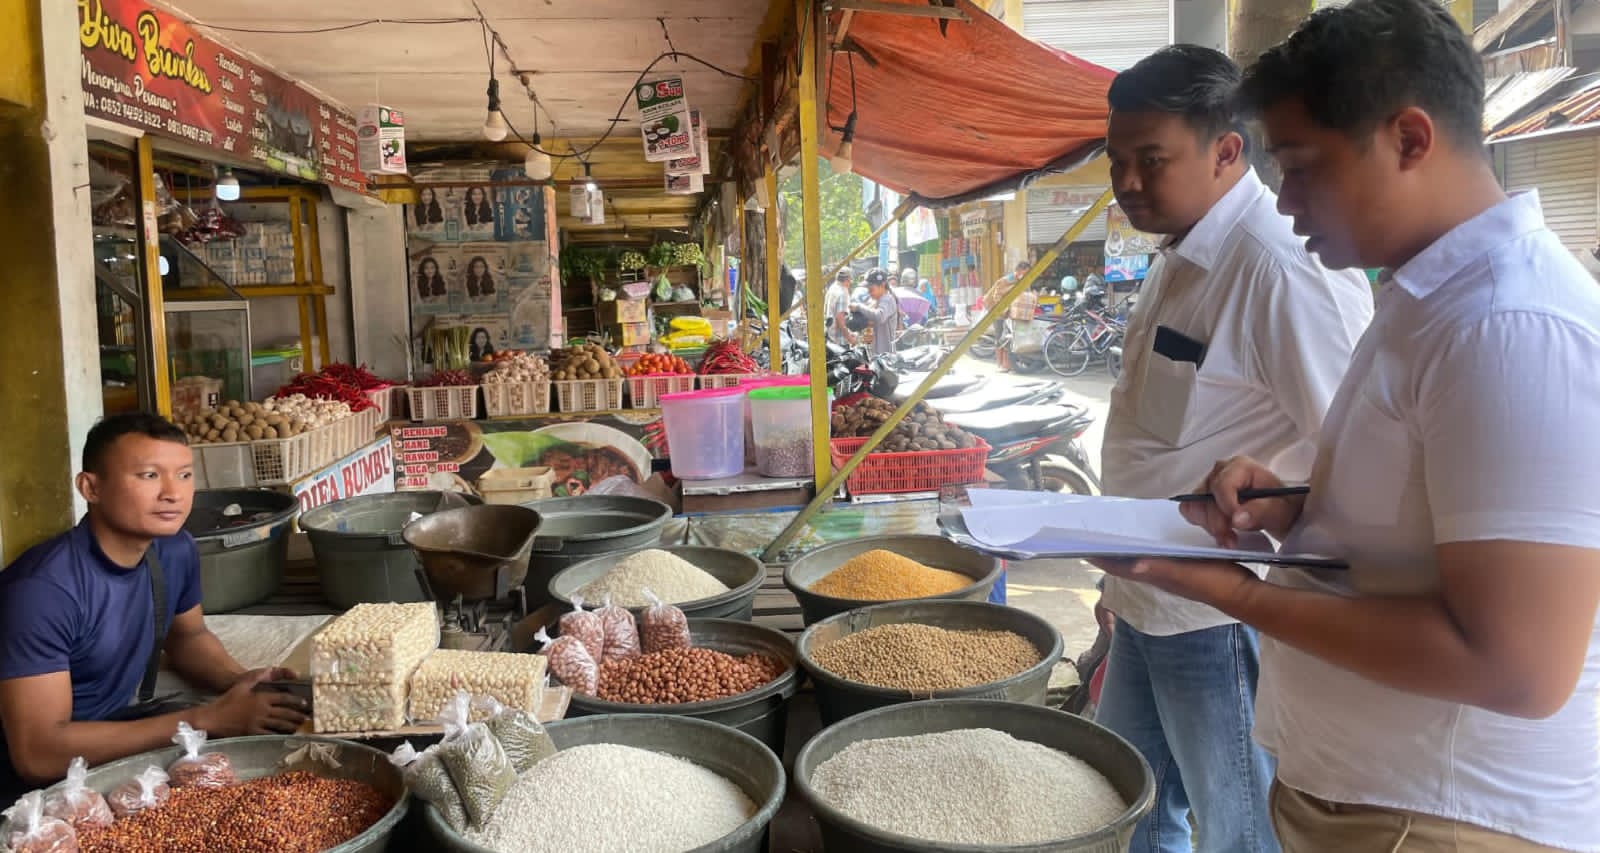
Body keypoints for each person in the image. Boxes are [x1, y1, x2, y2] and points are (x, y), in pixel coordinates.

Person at [1099, 3, 1600, 851]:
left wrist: (1232, 591)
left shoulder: (1512, 327)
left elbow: (1517, 665)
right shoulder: (1431, 299)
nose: (1283, 198)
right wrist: (1297, 500)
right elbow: (1421, 511)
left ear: (1409, 139)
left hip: (1438, 816)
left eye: (1300, 165)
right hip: (1368, 795)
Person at [1094, 45, 1374, 853]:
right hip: (1148, 600)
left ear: (1228, 152)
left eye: (1151, 160)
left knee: (1240, 829)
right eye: (1117, 162)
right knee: (1130, 806)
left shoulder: (1279, 269)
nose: (1128, 183)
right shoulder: (1180, 252)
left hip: (1218, 610)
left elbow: (1353, 456)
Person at [0, 414, 308, 802]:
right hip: (34, 779)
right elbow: (36, 753)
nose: (173, 493)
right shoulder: (43, 591)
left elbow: (188, 637)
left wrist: (240, 685)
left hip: (117, 727)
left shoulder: (174, 549)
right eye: (149, 476)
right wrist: (205, 720)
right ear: (91, 487)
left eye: (183, 475)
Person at [983, 260, 1031, 371]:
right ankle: (1000, 364)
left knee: (1007, 337)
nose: (1027, 274)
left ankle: (1007, 364)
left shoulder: (1020, 280)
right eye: (1026, 272)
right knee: (1000, 337)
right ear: (1019, 270)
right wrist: (1005, 311)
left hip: (1010, 313)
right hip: (998, 311)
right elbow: (997, 297)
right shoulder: (1007, 280)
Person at [849, 268, 901, 355]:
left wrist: (859, 307)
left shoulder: (887, 299)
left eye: (871, 289)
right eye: (868, 289)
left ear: (883, 285)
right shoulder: (874, 300)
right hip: (874, 354)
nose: (869, 292)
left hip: (886, 356)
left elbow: (879, 316)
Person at [824, 268, 854, 346]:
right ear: (847, 279)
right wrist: (850, 338)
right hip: (839, 341)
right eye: (850, 280)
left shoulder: (832, 289)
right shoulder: (843, 292)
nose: (850, 283)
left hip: (830, 337)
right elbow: (840, 319)